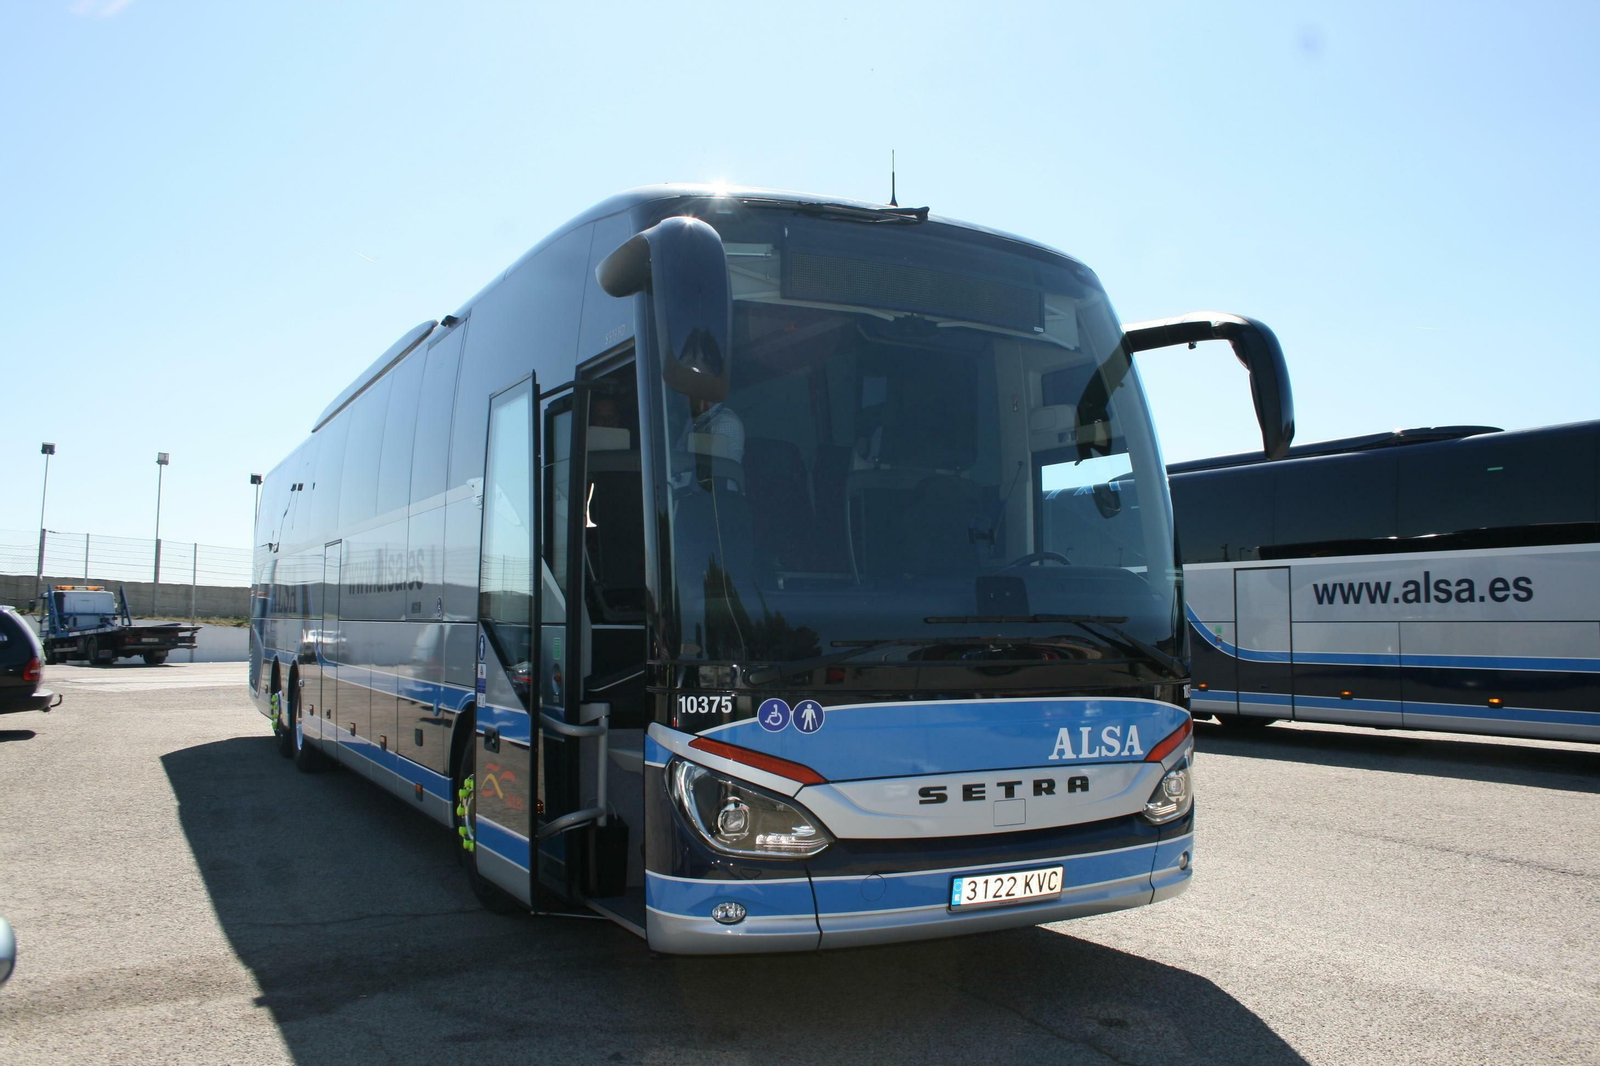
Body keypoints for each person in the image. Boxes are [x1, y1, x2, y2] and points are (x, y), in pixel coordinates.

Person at [678, 396, 745, 464]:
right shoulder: (692, 420)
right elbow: (679, 449)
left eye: (688, 394)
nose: (682, 398)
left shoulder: (727, 422)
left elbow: (711, 467)